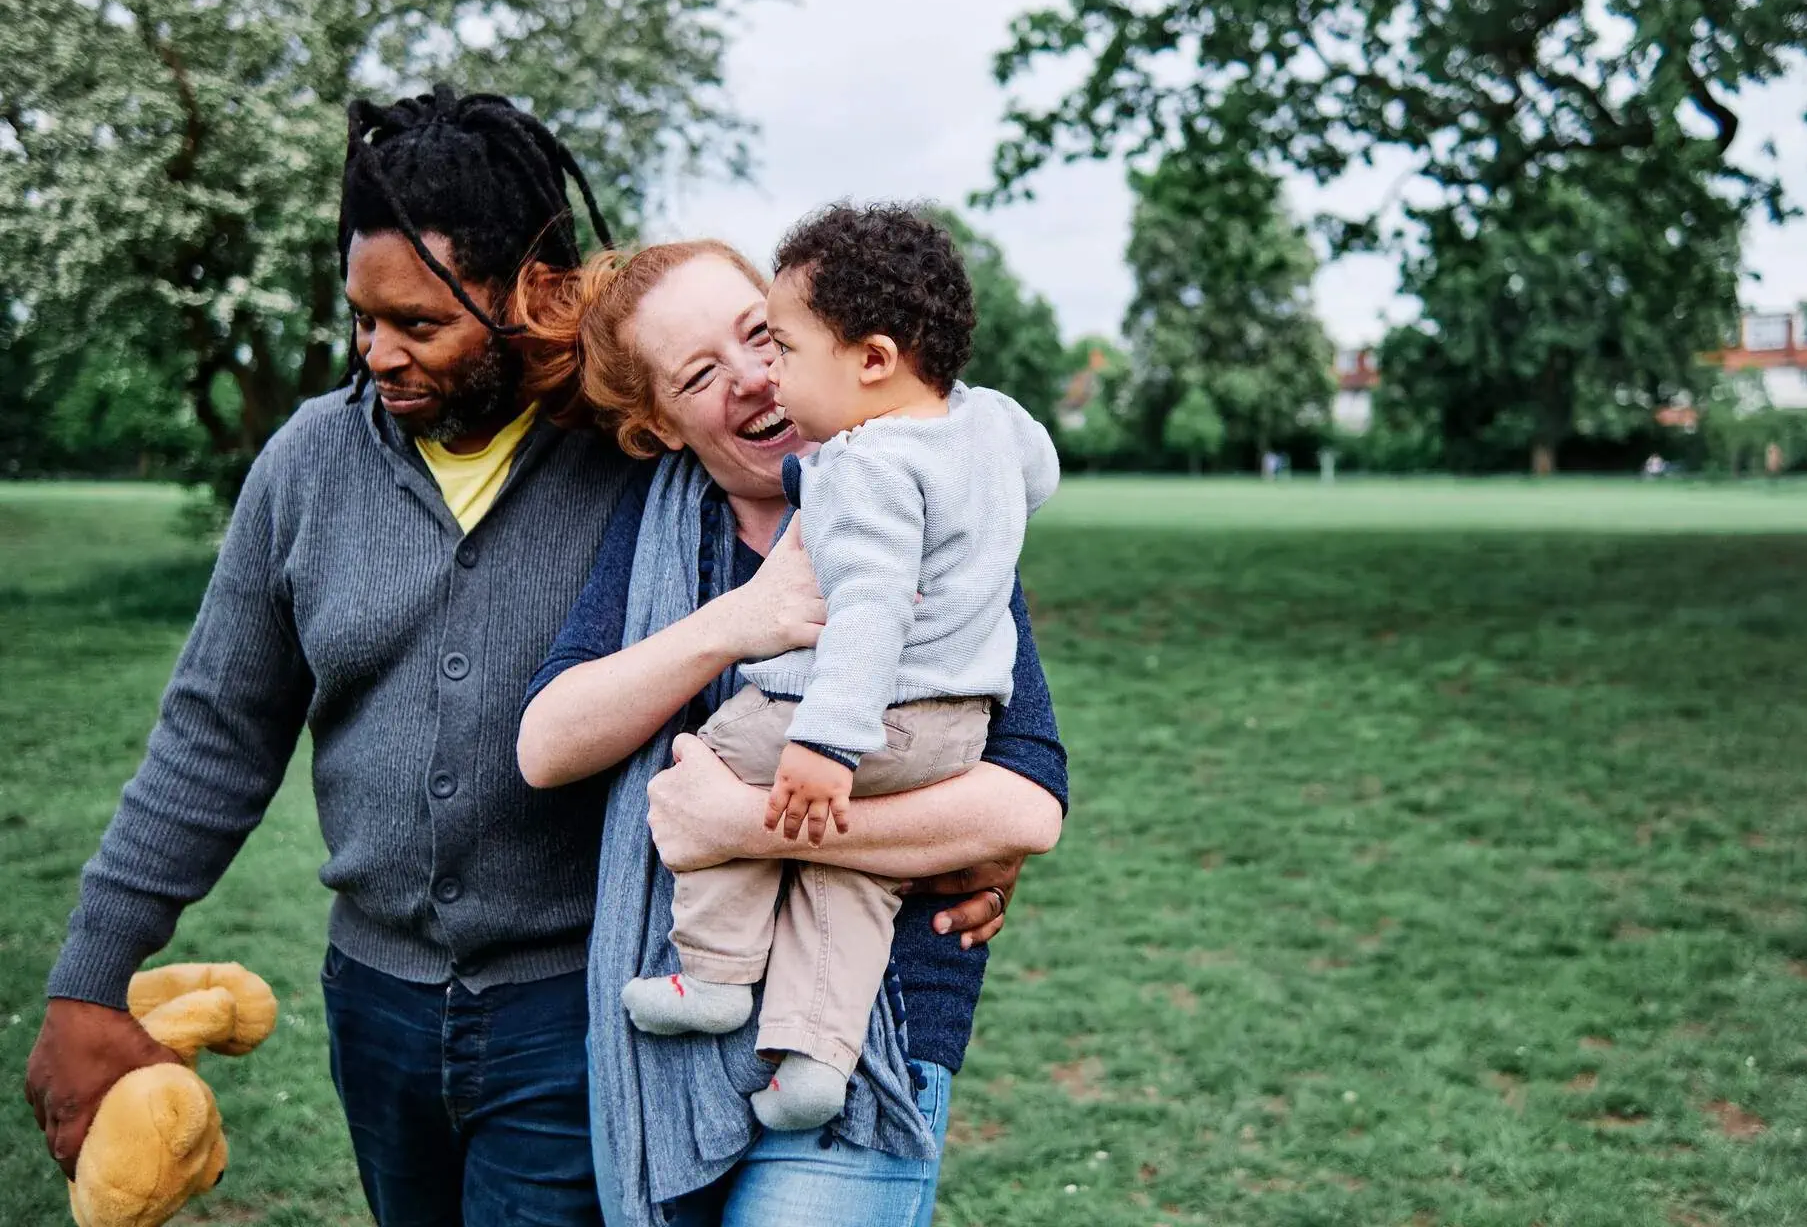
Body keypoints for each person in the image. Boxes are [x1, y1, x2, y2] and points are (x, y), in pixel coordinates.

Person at [17, 89, 1018, 1227]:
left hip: (570, 1011)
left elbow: (909, 541)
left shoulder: (637, 453)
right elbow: (214, 737)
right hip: (375, 1002)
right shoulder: (308, 469)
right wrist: (90, 975)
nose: (377, 355)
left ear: (532, 294)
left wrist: (952, 819)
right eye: (362, 318)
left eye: (419, 324)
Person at [512, 237, 1069, 1227]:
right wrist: (742, 620)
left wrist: (740, 824)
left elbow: (1022, 806)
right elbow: (547, 741)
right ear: (659, 429)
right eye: (699, 374)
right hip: (665, 1066)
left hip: (877, 1038)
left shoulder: (932, 511)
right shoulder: (659, 538)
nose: (754, 376)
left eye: (761, 335)